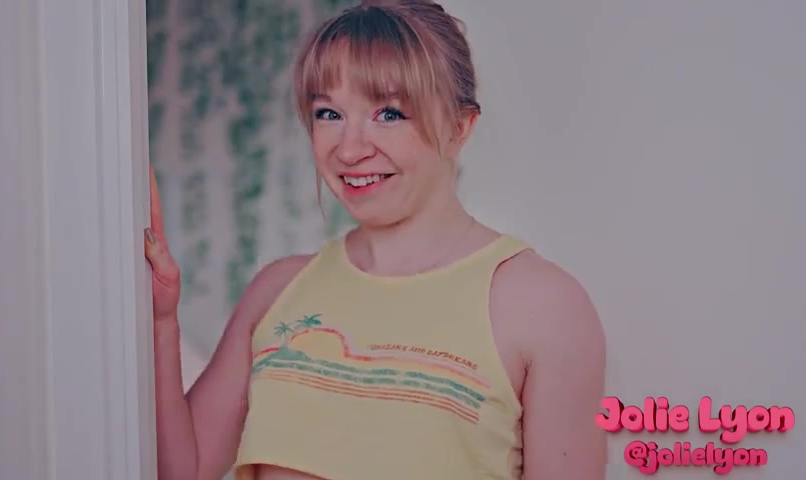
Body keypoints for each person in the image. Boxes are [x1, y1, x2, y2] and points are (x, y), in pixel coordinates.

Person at [145, 1, 607, 479]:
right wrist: (160, 322)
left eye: (389, 113)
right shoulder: (277, 291)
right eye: (328, 113)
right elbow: (180, 473)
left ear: (459, 127)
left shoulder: (543, 306)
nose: (349, 150)